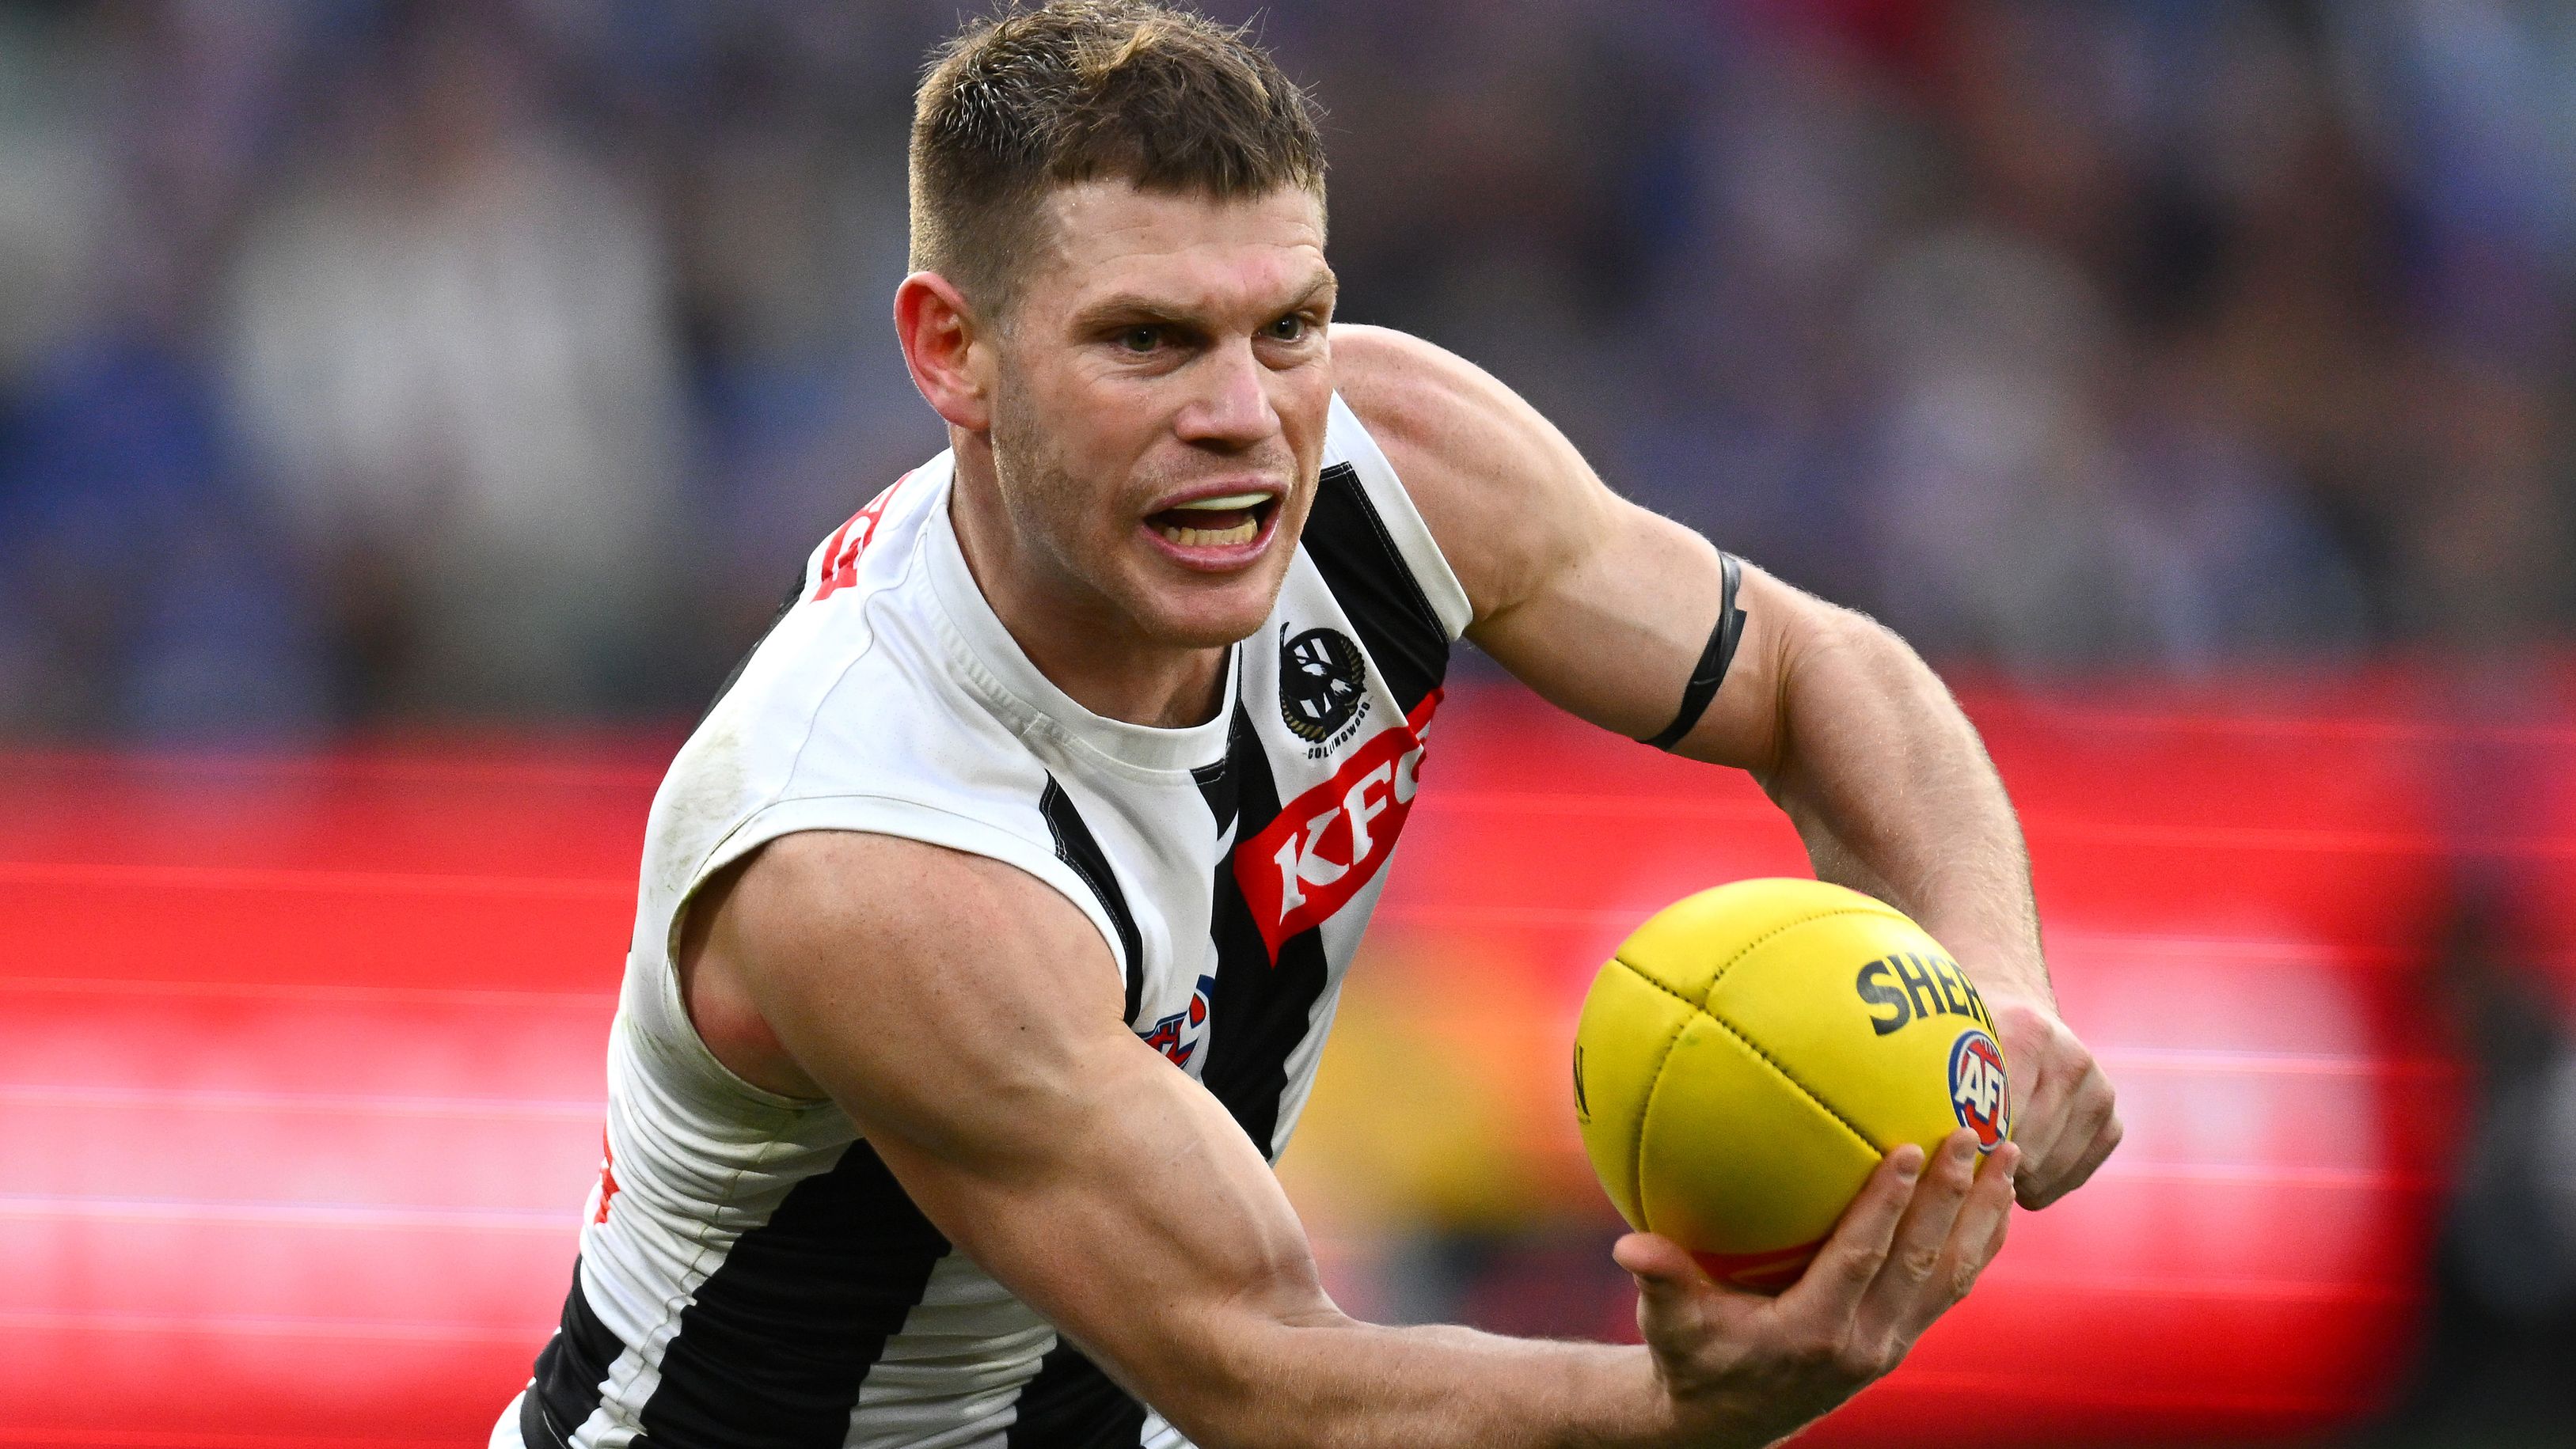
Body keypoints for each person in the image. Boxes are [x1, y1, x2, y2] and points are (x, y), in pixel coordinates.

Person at [498, 4, 2122, 1446]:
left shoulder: (1390, 452)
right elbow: (1269, 1372)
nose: (1243, 413)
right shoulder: (866, 848)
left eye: (1284, 324)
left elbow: (1813, 670)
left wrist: (1995, 977)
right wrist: (1690, 1409)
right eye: (1145, 340)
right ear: (953, 352)